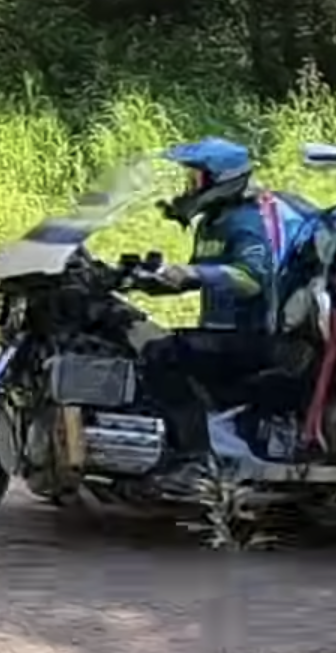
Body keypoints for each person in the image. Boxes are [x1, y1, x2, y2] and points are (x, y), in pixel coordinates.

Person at [132, 137, 314, 497]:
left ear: (220, 180)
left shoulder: (247, 221)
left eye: (196, 179)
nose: (189, 187)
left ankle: (195, 460)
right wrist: (145, 282)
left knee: (163, 355)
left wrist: (195, 275)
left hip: (258, 338)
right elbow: (200, 274)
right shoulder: (214, 222)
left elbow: (251, 279)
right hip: (224, 333)